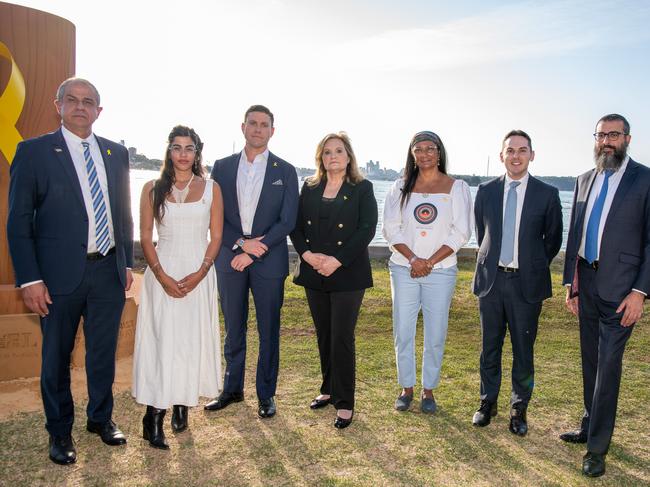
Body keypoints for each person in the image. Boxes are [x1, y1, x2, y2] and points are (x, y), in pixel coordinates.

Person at [7, 78, 134, 465]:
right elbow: (18, 222)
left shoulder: (117, 153)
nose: (81, 107)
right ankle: (59, 432)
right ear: (57, 105)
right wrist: (30, 278)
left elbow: (122, 213)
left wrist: (126, 262)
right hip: (57, 278)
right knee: (56, 358)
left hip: (107, 273)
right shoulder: (33, 152)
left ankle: (100, 418)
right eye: (73, 100)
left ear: (99, 110)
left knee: (101, 353)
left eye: (89, 102)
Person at [561, 114, 650, 478]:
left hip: (622, 290)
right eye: (600, 135)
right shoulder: (585, 179)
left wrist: (640, 292)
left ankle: (597, 448)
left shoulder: (644, 180)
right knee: (590, 361)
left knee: (608, 366)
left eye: (613, 134)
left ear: (627, 138)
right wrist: (572, 283)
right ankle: (588, 422)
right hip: (589, 284)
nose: (606, 141)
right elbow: (576, 236)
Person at [132, 126, 224, 449]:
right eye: (176, 147)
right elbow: (146, 236)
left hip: (199, 273)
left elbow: (216, 237)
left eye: (189, 148)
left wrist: (201, 272)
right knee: (163, 341)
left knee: (189, 340)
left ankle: (182, 403)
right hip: (163, 271)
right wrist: (160, 274)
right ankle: (153, 416)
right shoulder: (151, 189)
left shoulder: (212, 188)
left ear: (197, 153)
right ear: (168, 151)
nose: (183, 154)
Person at [204, 105, 298, 418]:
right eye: (253, 123)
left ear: (273, 130)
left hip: (269, 260)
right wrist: (241, 245)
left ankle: (266, 395)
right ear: (243, 127)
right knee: (233, 326)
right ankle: (231, 389)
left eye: (264, 125)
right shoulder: (223, 166)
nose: (258, 129)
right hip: (231, 257)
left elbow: (287, 221)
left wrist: (256, 249)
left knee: (269, 329)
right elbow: (215, 213)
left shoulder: (285, 171)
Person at [471, 130, 562, 436]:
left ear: (532, 155)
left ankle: (518, 409)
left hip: (526, 285)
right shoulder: (485, 191)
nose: (516, 155)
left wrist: (531, 265)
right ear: (502, 156)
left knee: (524, 351)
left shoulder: (547, 194)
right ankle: (487, 404)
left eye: (523, 150)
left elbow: (553, 240)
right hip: (492, 283)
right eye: (510, 150)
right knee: (489, 348)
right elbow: (481, 232)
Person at [290, 132, 377, 428]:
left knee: (341, 336)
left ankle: (345, 401)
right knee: (324, 334)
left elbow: (367, 229)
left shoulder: (362, 188)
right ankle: (327, 389)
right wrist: (308, 255)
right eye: (327, 152)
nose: (333, 156)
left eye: (339, 151)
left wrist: (336, 261)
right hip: (314, 270)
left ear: (349, 156)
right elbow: (296, 227)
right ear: (320, 158)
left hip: (348, 272)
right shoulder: (310, 187)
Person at [382, 131, 472, 414]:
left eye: (430, 149)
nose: (424, 154)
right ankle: (406, 388)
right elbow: (390, 228)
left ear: (439, 152)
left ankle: (428, 390)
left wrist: (430, 261)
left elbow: (462, 232)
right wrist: (413, 259)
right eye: (418, 149)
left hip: (441, 271)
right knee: (403, 330)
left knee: (435, 332)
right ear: (412, 154)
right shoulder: (399, 187)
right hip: (404, 268)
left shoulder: (457, 187)